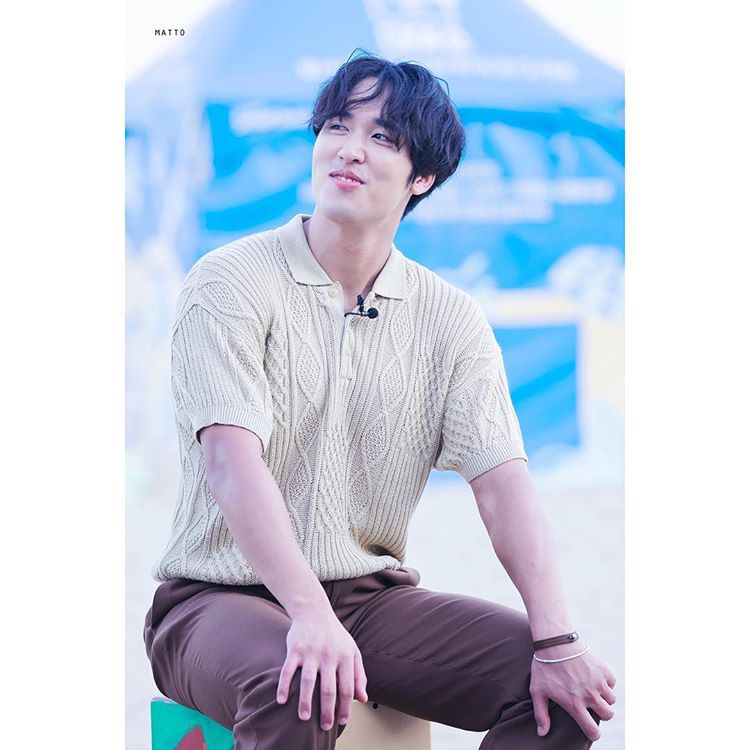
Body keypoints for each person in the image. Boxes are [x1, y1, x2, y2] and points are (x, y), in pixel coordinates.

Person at [143, 52, 617, 749]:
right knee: (297, 685)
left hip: (368, 601)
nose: (350, 149)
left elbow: (503, 483)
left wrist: (557, 638)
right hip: (215, 600)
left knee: (563, 693)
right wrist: (308, 613)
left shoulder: (449, 318)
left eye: (383, 138)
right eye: (338, 126)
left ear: (422, 177)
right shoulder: (230, 281)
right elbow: (229, 463)